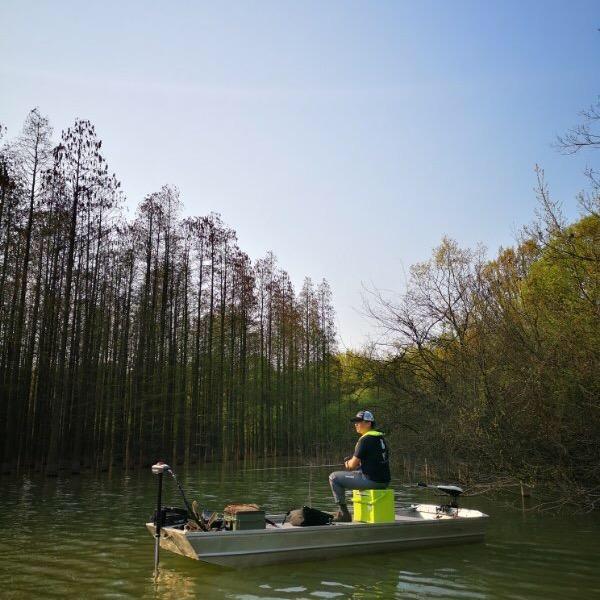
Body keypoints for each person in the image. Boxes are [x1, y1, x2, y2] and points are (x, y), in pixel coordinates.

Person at [328, 410, 391, 522]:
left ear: (368, 423)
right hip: (384, 481)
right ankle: (342, 513)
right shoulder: (380, 438)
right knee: (356, 472)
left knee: (334, 477)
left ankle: (344, 515)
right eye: (355, 422)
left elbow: (351, 465)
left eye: (359, 421)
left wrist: (347, 463)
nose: (356, 424)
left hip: (372, 481)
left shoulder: (365, 440)